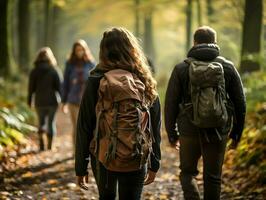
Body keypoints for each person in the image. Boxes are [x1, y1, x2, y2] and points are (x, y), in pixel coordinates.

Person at [75, 27, 162, 200]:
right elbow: (155, 123)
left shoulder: (96, 79)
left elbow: (85, 125)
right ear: (131, 49)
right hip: (136, 154)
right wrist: (155, 162)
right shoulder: (143, 78)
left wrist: (81, 167)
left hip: (103, 155)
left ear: (103, 50)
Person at [165, 26, 246, 200]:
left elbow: (170, 103)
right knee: (213, 177)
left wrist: (172, 134)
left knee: (187, 173)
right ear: (215, 42)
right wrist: (237, 133)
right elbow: (240, 102)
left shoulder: (181, 68)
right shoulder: (228, 67)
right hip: (218, 128)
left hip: (189, 128)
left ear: (194, 42)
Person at [62, 39, 95, 154]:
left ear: (85, 50)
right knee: (76, 126)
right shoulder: (69, 64)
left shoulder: (91, 63)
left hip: (86, 100)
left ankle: (87, 150)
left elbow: (94, 82)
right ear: (74, 51)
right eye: (77, 50)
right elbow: (65, 82)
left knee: (87, 126)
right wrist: (63, 101)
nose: (79, 52)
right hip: (73, 100)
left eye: (81, 49)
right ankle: (77, 151)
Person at [28, 47, 62, 151]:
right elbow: (60, 87)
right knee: (51, 123)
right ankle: (50, 146)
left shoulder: (34, 71)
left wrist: (29, 100)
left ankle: (42, 145)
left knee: (41, 122)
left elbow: (31, 88)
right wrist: (64, 100)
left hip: (39, 101)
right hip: (52, 101)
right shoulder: (54, 70)